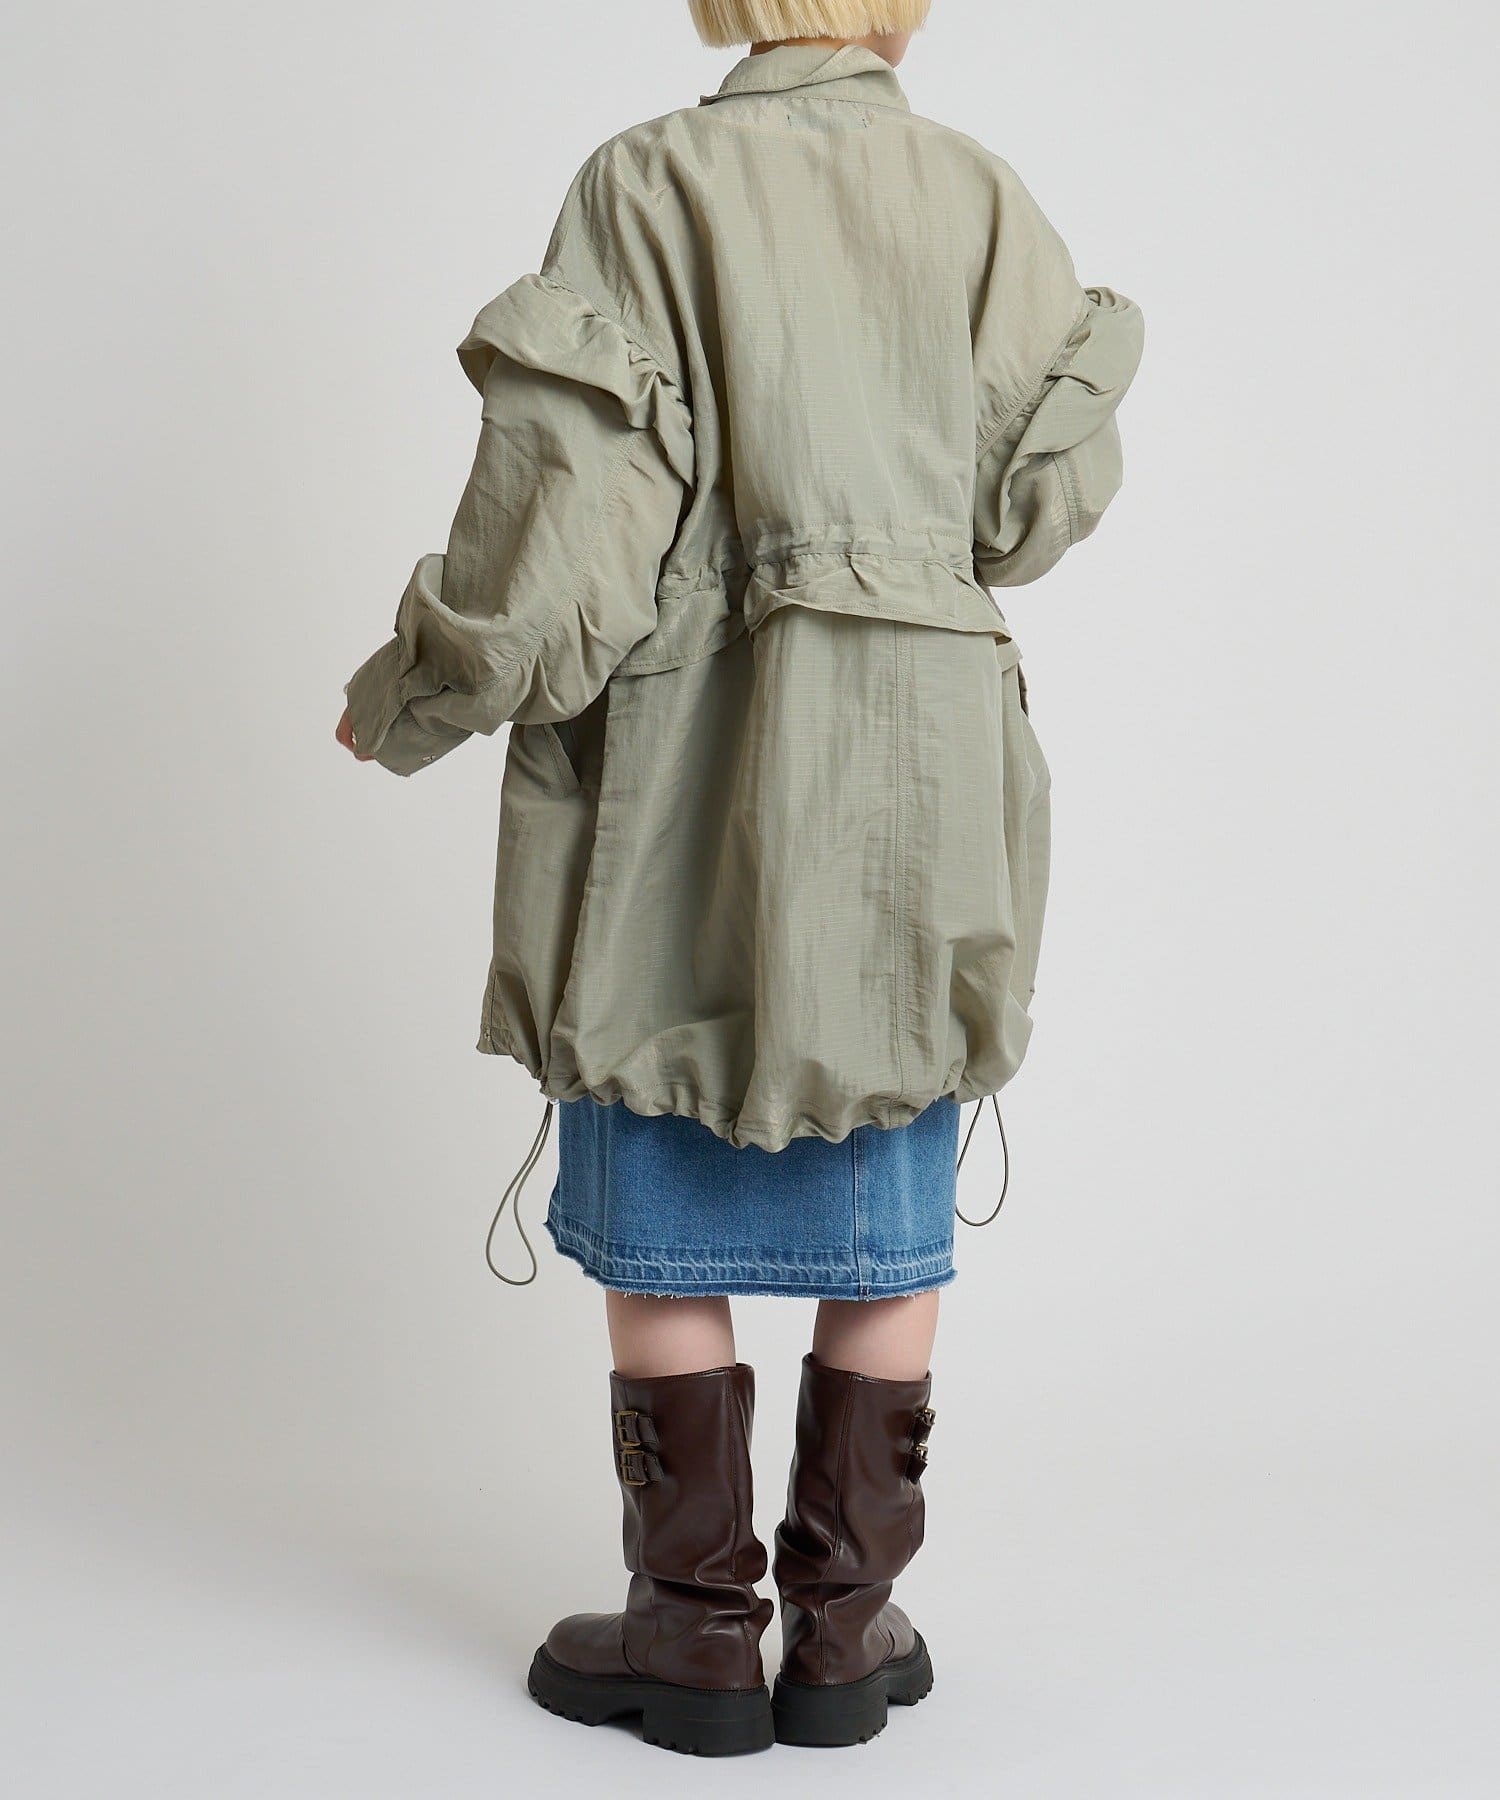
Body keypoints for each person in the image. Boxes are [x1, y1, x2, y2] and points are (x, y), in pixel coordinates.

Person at [336, 0, 1142, 1758]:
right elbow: (1036, 506)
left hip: (691, 758)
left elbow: (561, 529)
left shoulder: (646, 184)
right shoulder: (980, 198)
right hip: (917, 767)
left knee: (658, 1092)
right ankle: (842, 1635)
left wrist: (421, 689)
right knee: (894, 1154)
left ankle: (693, 1636)